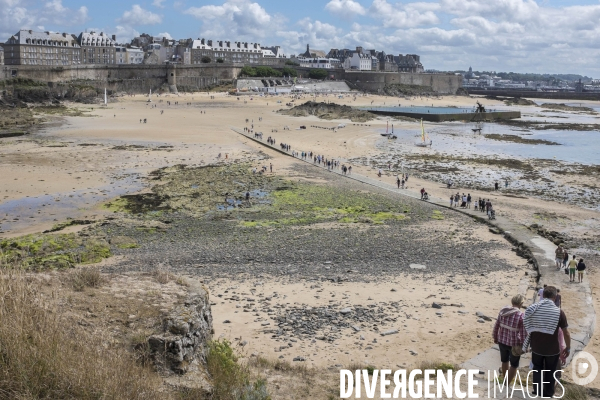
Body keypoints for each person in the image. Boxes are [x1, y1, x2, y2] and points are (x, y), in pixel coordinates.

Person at [523, 286, 570, 398]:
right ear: (554, 297)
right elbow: (566, 333)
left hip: (536, 347)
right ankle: (548, 394)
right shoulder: (559, 312)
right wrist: (567, 348)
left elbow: (527, 323)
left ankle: (537, 391)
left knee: (537, 368)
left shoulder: (533, 308)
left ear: (543, 295)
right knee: (550, 371)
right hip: (552, 349)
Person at [493, 294, 527, 385]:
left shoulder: (503, 312)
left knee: (504, 361)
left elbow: (496, 326)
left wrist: (495, 337)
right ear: (521, 304)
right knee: (514, 365)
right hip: (514, 343)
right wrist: (525, 345)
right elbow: (523, 333)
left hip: (502, 341)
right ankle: (506, 383)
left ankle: (505, 379)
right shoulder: (521, 316)